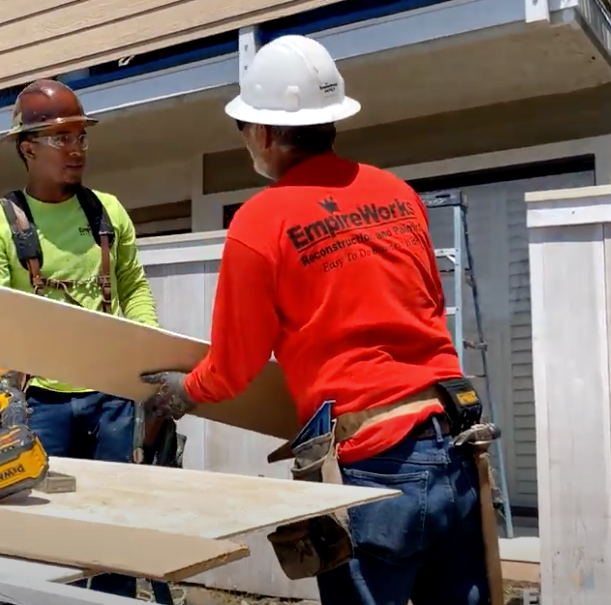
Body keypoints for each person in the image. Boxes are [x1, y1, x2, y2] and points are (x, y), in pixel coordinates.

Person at [139, 35, 494, 605]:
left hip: (373, 467)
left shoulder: (263, 221)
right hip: (451, 442)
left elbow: (234, 367)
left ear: (265, 132)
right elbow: (426, 305)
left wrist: (184, 392)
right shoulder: (398, 194)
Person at [0, 78, 163, 600]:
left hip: (111, 398)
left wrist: (149, 350)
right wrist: (0, 399)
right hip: (38, 403)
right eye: (61, 138)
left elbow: (133, 288)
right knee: (39, 530)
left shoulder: (106, 213)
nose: (76, 149)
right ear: (28, 148)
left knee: (112, 522)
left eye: (81, 137)